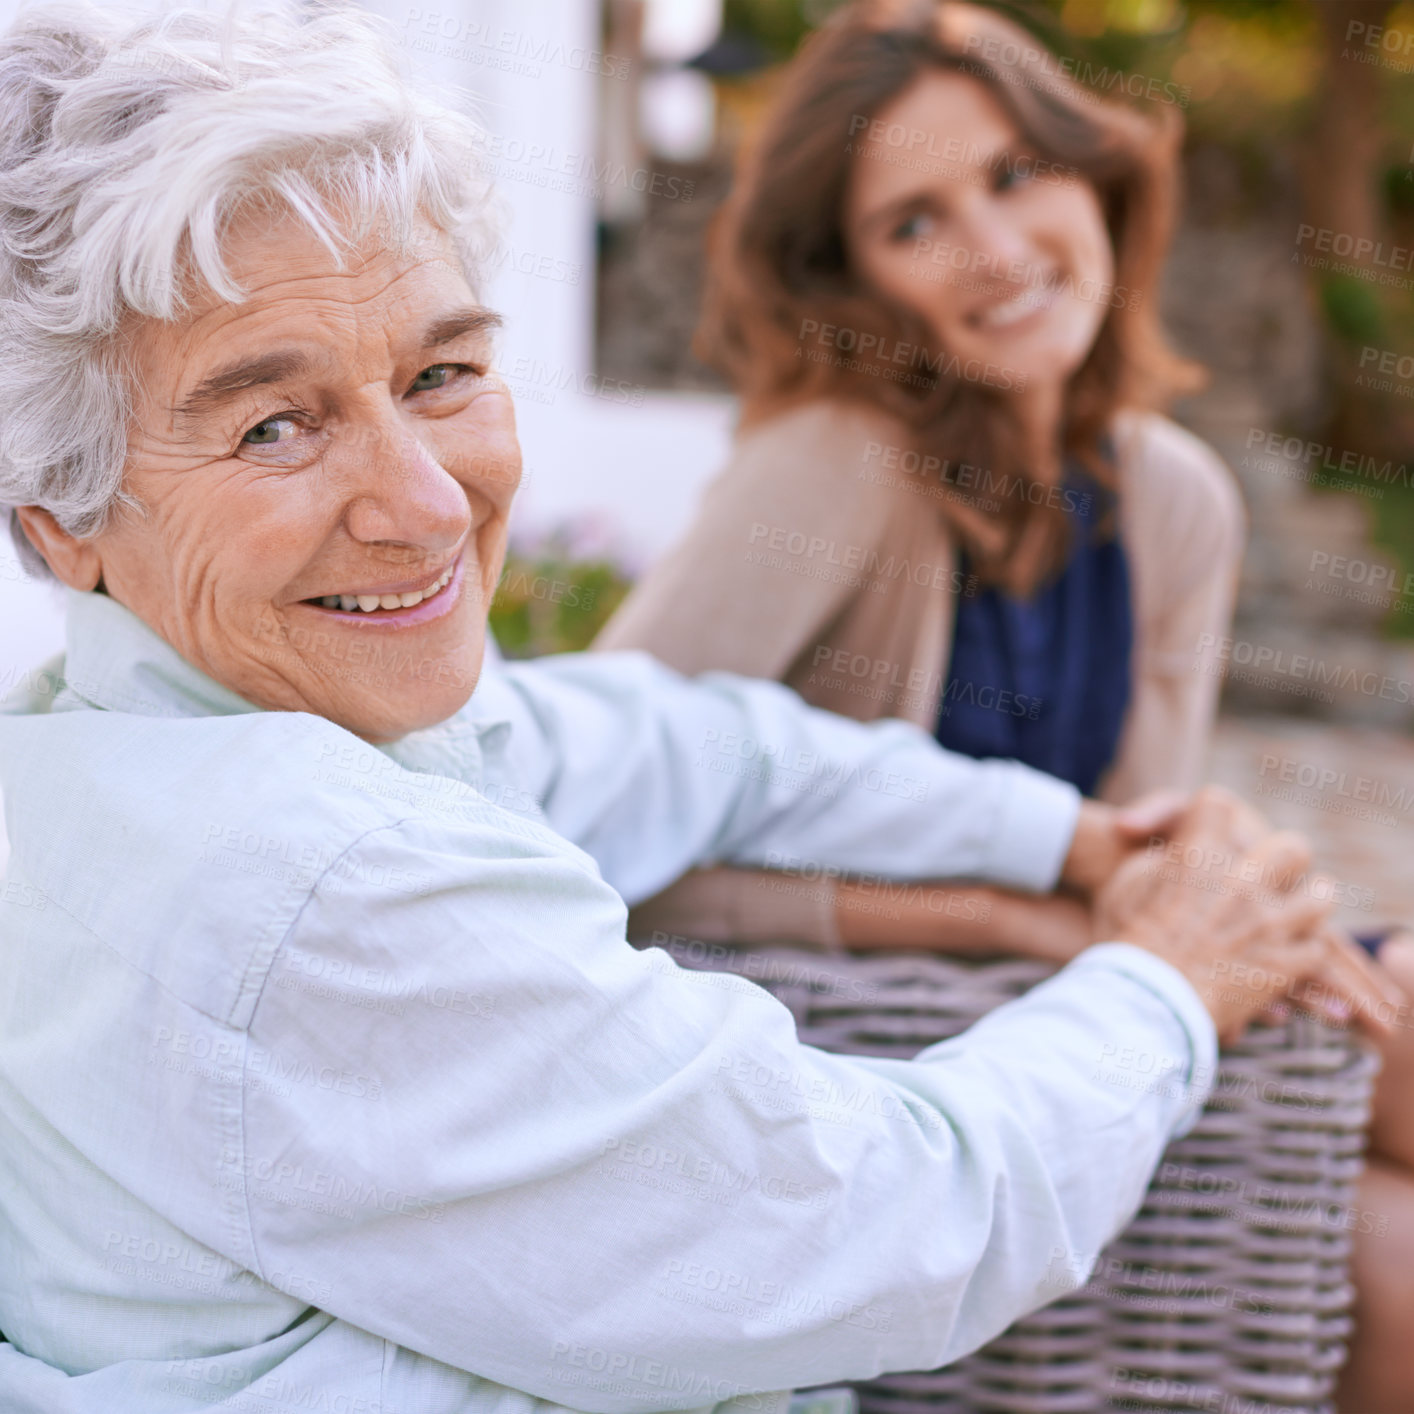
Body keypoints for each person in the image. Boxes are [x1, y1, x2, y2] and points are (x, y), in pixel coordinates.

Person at [0, 3, 1394, 1410]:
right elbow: (887, 1222)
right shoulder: (328, 883)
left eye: (442, 375)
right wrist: (1154, 974)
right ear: (60, 521)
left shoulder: (159, 741)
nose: (426, 504)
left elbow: (692, 735)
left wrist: (1065, 843)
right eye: (271, 426)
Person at [596, 0, 1243, 963]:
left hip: (1057, 1033)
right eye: (912, 223)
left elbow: (1140, 870)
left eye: (1016, 175)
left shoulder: (1176, 499)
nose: (994, 252)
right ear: (846, 279)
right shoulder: (835, 458)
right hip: (849, 1051)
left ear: (1095, 177)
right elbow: (587, 820)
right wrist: (989, 918)